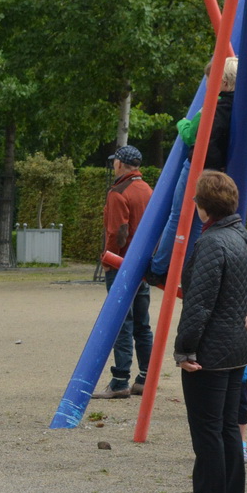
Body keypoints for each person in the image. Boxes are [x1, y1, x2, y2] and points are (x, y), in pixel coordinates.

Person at [166, 170, 247, 493]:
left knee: (206, 432)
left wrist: (185, 349)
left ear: (203, 207)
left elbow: (198, 304)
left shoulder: (211, 242)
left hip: (211, 351)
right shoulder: (242, 236)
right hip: (237, 346)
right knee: (228, 428)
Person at [149, 56, 247, 281]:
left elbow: (197, 138)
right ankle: (195, 272)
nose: (208, 87)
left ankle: (158, 268)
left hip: (200, 168)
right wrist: (241, 163)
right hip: (229, 175)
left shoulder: (216, 106)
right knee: (210, 222)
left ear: (226, 84)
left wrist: (213, 160)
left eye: (211, 81)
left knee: (179, 216)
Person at [96, 145, 152, 398]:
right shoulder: (149, 190)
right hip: (143, 265)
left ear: (119, 164)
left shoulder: (118, 192)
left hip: (121, 265)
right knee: (142, 323)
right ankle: (145, 378)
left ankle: (120, 381)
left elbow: (117, 232)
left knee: (121, 322)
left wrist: (109, 259)